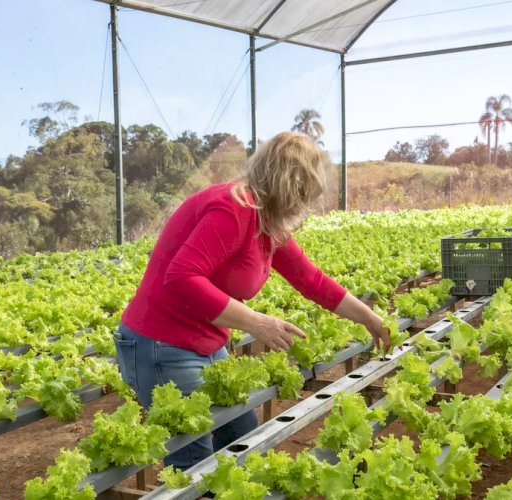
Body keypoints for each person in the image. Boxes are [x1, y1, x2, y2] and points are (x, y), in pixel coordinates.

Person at [114, 131, 391, 470]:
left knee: (243, 444)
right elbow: (181, 278)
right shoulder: (233, 208)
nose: (304, 204)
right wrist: (257, 322)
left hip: (207, 342)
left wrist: (368, 317)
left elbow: (311, 280)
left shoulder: (266, 221)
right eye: (304, 193)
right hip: (163, 346)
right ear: (290, 185)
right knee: (194, 465)